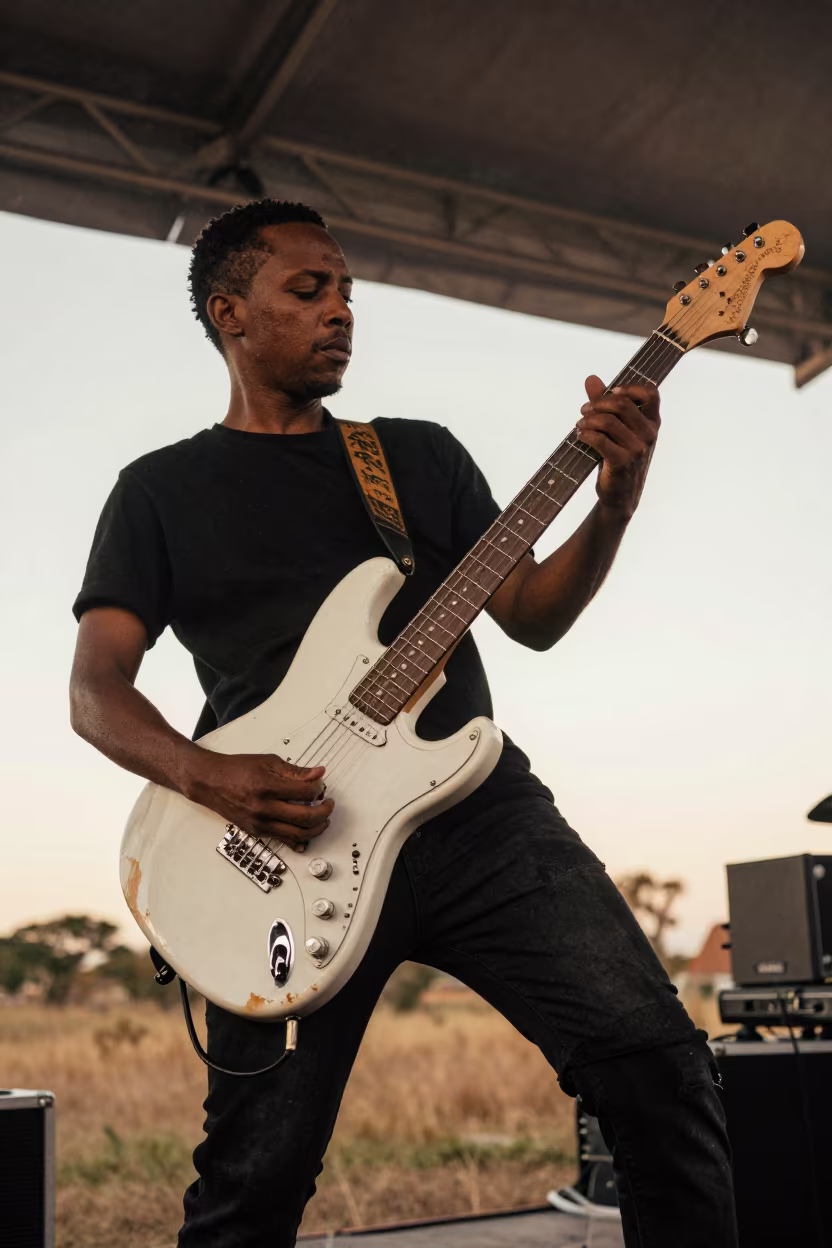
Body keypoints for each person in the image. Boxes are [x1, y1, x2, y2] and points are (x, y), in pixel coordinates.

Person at [69, 199, 737, 1247]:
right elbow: (96, 691)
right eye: (309, 290)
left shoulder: (414, 459)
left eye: (346, 291)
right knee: (256, 1177)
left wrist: (613, 502)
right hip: (283, 834)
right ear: (230, 312)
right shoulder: (158, 492)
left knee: (660, 1075)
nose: (341, 310)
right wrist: (212, 775)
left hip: (482, 825)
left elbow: (532, 619)